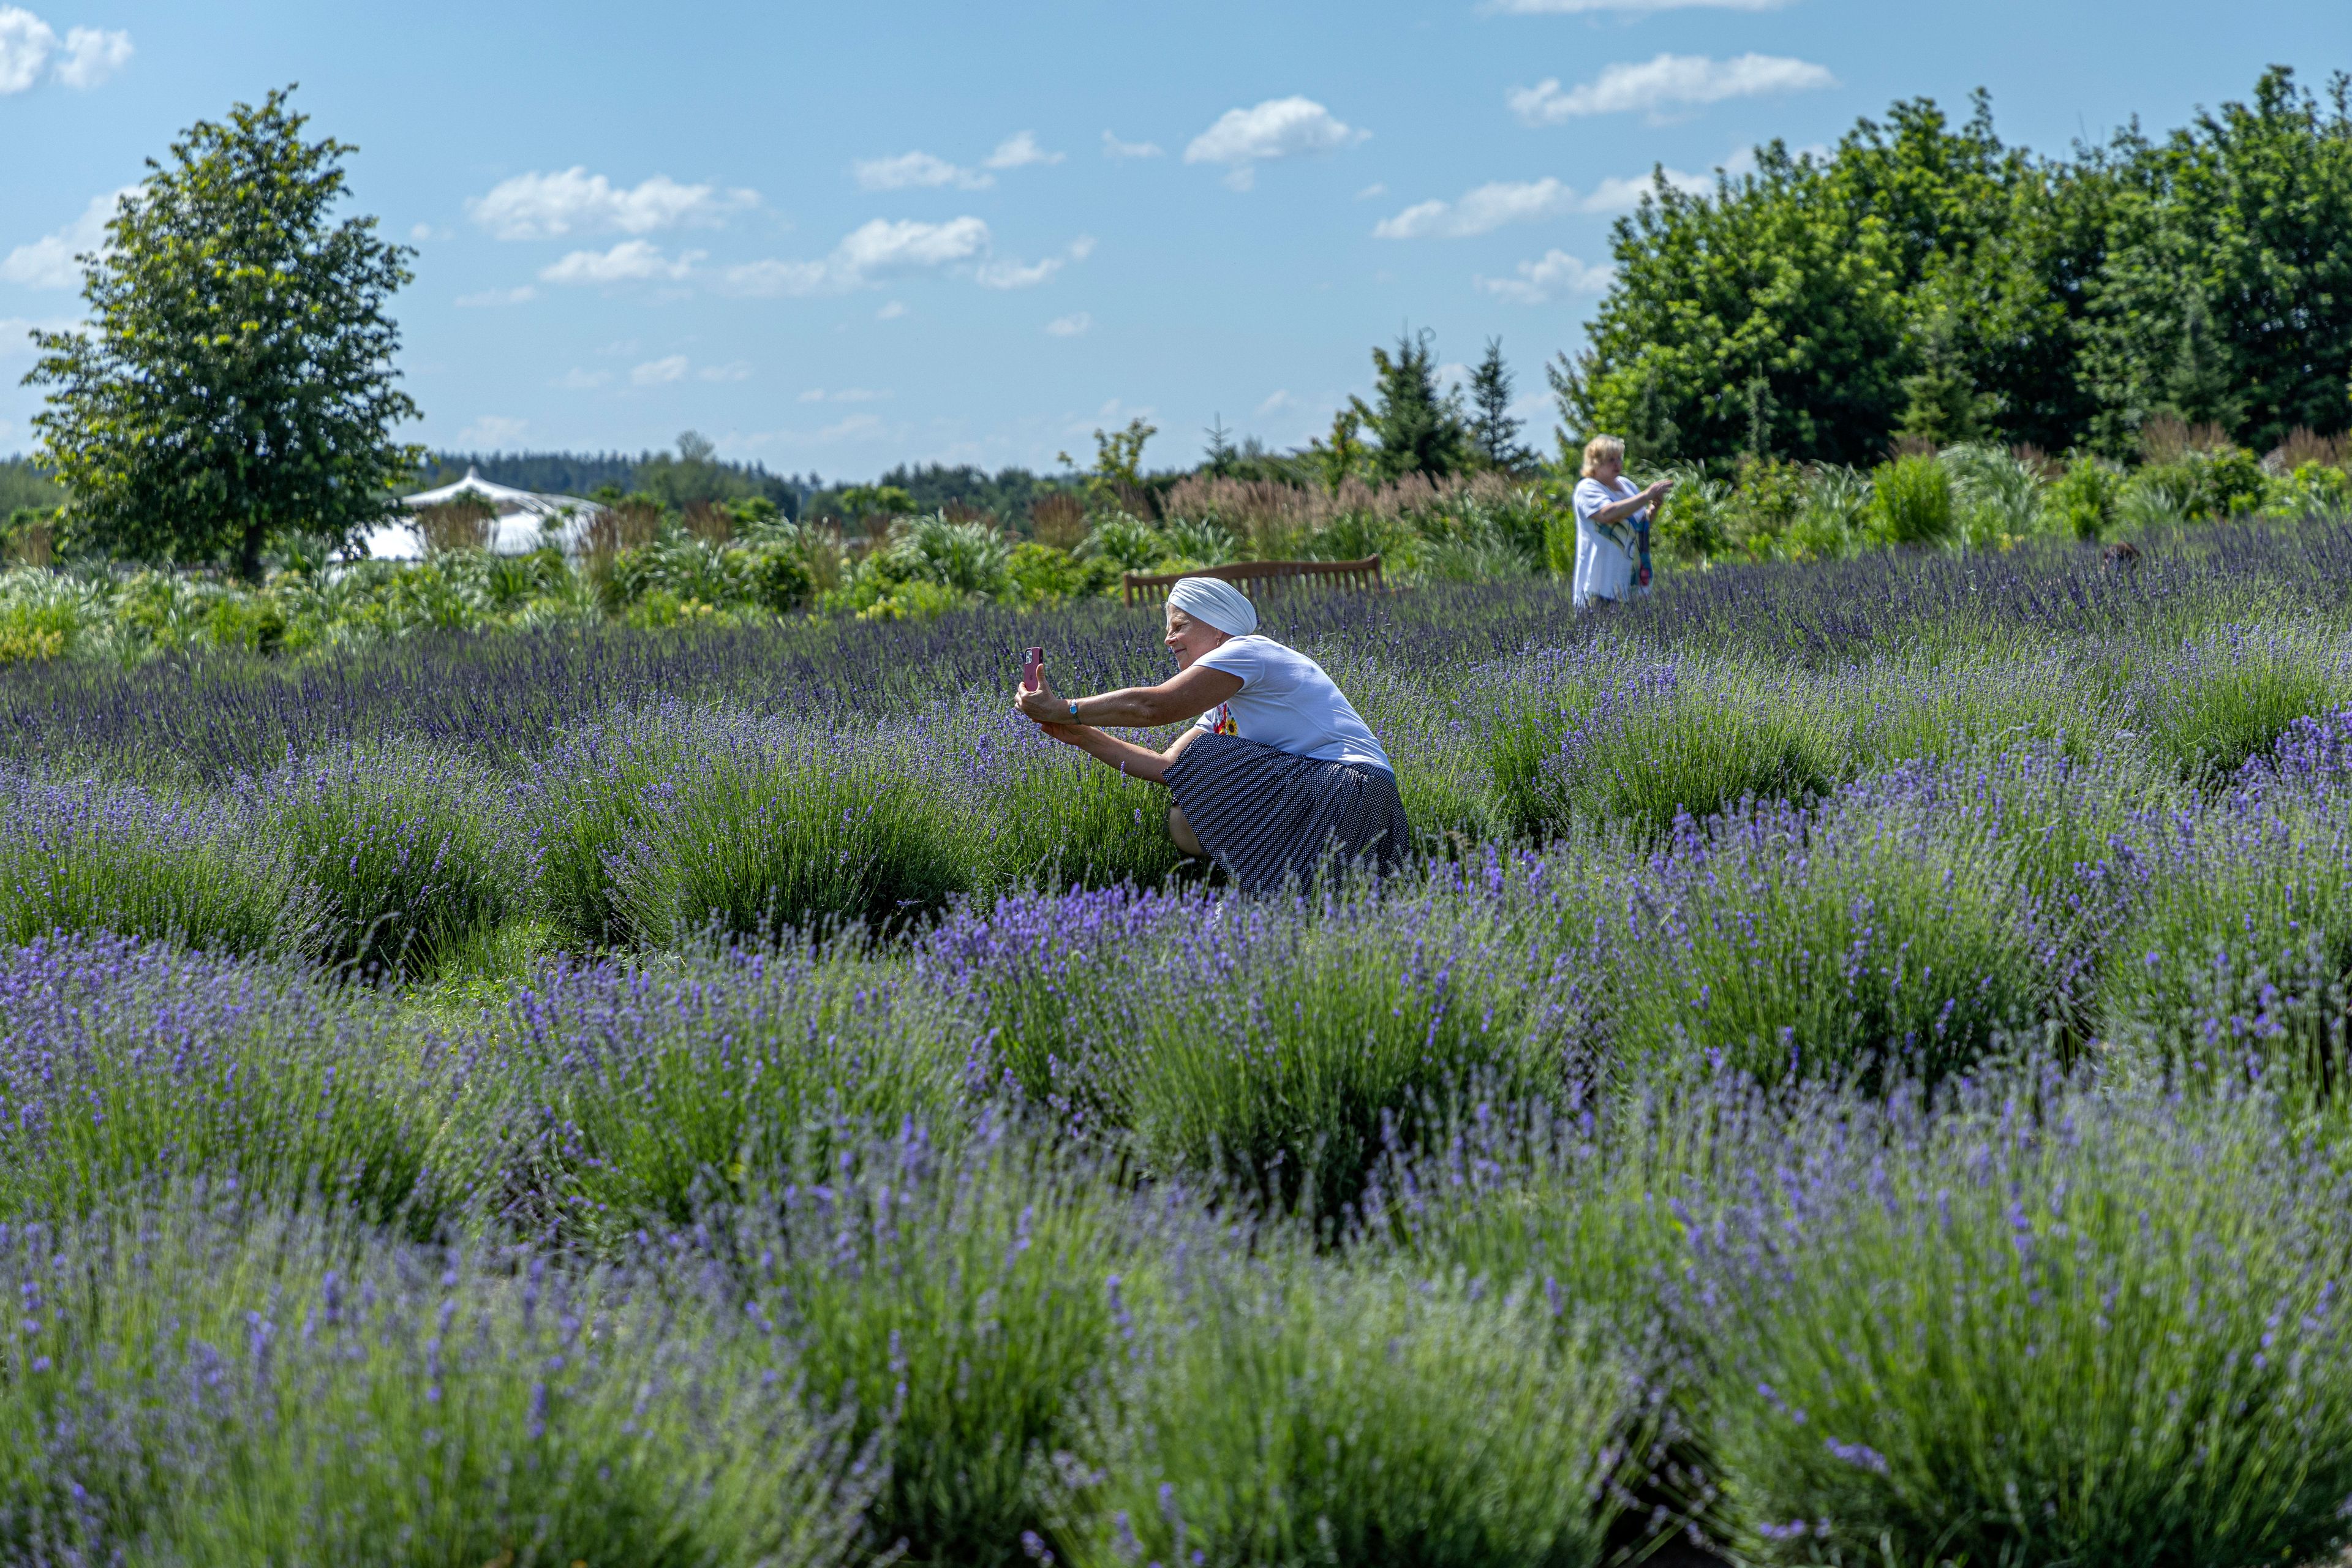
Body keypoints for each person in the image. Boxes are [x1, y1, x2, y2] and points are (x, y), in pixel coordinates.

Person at [1012, 575, 1409, 892]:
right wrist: (1078, 734)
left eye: (1179, 627)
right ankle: (1264, 891)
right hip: (1353, 802)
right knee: (1184, 814)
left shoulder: (1249, 651)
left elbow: (1155, 708)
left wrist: (1067, 708)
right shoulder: (1223, 706)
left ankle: (1254, 892)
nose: (1168, 639)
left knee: (1202, 758)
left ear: (1217, 630)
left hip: (1350, 790)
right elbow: (1167, 766)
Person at [1572, 435, 1672, 608]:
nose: (1618, 463)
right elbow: (1607, 514)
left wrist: (1653, 509)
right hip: (1601, 582)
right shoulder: (1587, 488)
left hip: (1630, 580)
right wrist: (1646, 495)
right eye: (1611, 460)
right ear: (1595, 462)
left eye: (1619, 458)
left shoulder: (1626, 485)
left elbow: (1640, 524)